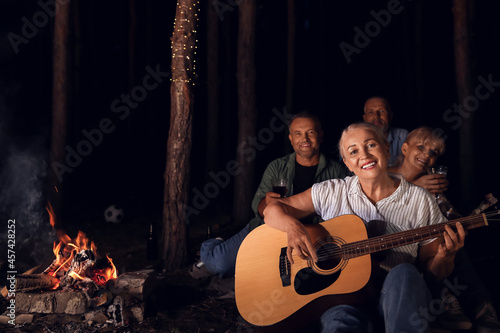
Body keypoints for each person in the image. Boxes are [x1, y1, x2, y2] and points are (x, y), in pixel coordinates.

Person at [263, 122, 465, 332]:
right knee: (339, 324)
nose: (364, 155)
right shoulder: (331, 191)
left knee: (405, 272)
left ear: (386, 148)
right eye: (354, 151)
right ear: (347, 163)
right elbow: (273, 210)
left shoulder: (420, 200)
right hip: (342, 299)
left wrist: (445, 257)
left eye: (371, 145)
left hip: (396, 299)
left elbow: (432, 276)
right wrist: (293, 228)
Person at [190, 111, 349, 279]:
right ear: (291, 138)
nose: (305, 139)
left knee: (269, 279)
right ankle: (212, 243)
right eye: (298, 133)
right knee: (220, 262)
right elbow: (257, 207)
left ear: (320, 135)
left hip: (309, 236)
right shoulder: (277, 166)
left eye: (310, 132)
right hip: (267, 230)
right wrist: (267, 203)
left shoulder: (337, 171)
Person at [389, 126, 500, 332]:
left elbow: (450, 215)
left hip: (428, 239)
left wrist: (452, 210)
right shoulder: (386, 175)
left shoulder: (432, 180)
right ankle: (448, 303)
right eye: (421, 147)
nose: (426, 155)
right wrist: (415, 186)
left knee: (454, 246)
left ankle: (480, 307)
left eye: (434, 153)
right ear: (405, 149)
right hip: (395, 241)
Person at [363, 96, 408, 166]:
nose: (376, 116)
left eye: (382, 111)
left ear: (390, 116)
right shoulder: (354, 140)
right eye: (371, 112)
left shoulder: (403, 136)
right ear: (365, 118)